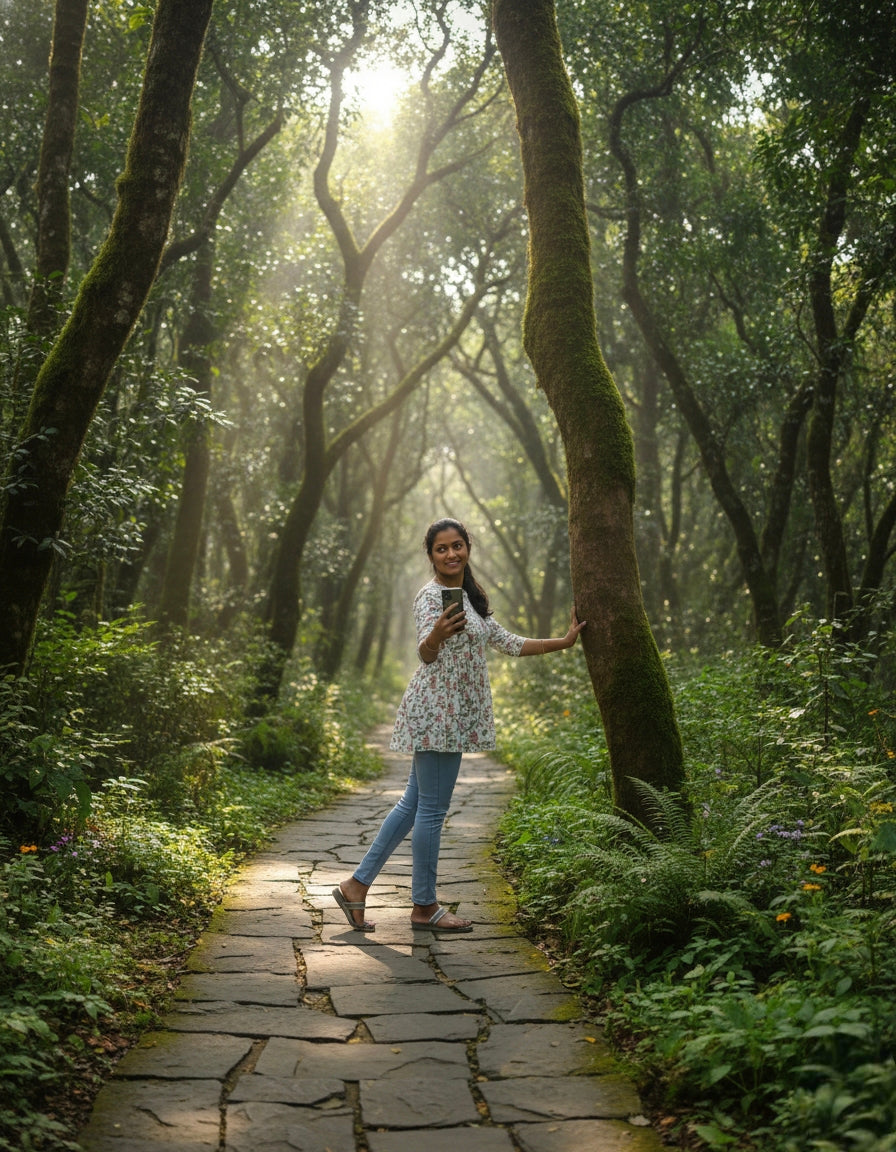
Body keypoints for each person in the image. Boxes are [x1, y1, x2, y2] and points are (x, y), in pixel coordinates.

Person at [333, 517, 585, 933]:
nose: (451, 554)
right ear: (431, 555)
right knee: (431, 810)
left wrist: (564, 641)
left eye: (457, 546)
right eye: (441, 548)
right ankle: (424, 906)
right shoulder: (430, 597)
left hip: (452, 715)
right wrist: (435, 635)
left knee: (413, 806)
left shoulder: (469, 598)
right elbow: (426, 654)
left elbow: (508, 642)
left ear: (468, 547)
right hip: (436, 713)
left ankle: (355, 887)